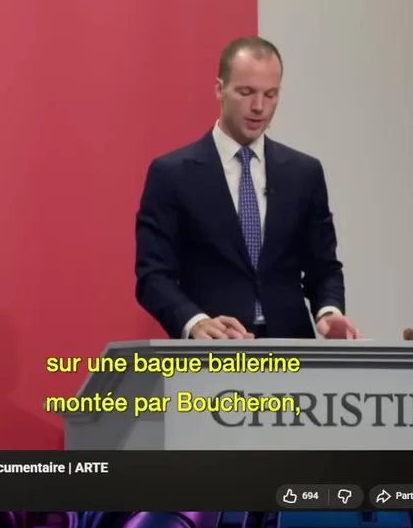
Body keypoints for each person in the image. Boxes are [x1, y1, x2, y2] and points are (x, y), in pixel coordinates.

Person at [134, 36, 361, 341]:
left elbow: (324, 268)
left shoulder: (304, 173)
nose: (259, 107)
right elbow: (153, 275)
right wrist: (195, 323)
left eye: (270, 94)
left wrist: (329, 312)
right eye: (246, 92)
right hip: (212, 353)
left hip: (291, 352)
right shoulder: (172, 174)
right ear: (220, 89)